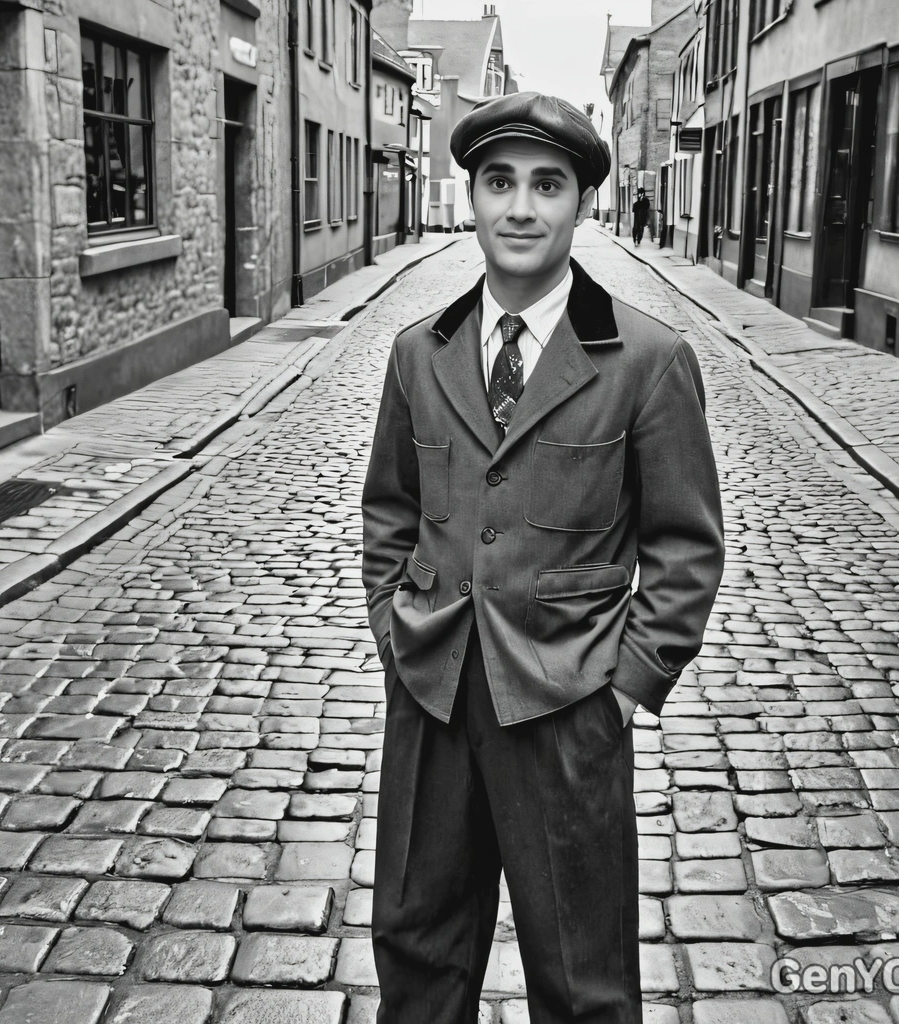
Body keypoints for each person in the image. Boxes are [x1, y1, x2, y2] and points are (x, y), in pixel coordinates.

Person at [362, 91, 724, 1024]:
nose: (521, 208)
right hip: (433, 696)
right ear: (472, 197)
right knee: (415, 945)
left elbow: (684, 547)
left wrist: (626, 688)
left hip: (567, 708)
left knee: (582, 971)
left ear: (582, 205)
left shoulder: (646, 360)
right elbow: (389, 514)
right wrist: (394, 634)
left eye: (547, 185)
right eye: (499, 183)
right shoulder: (419, 354)